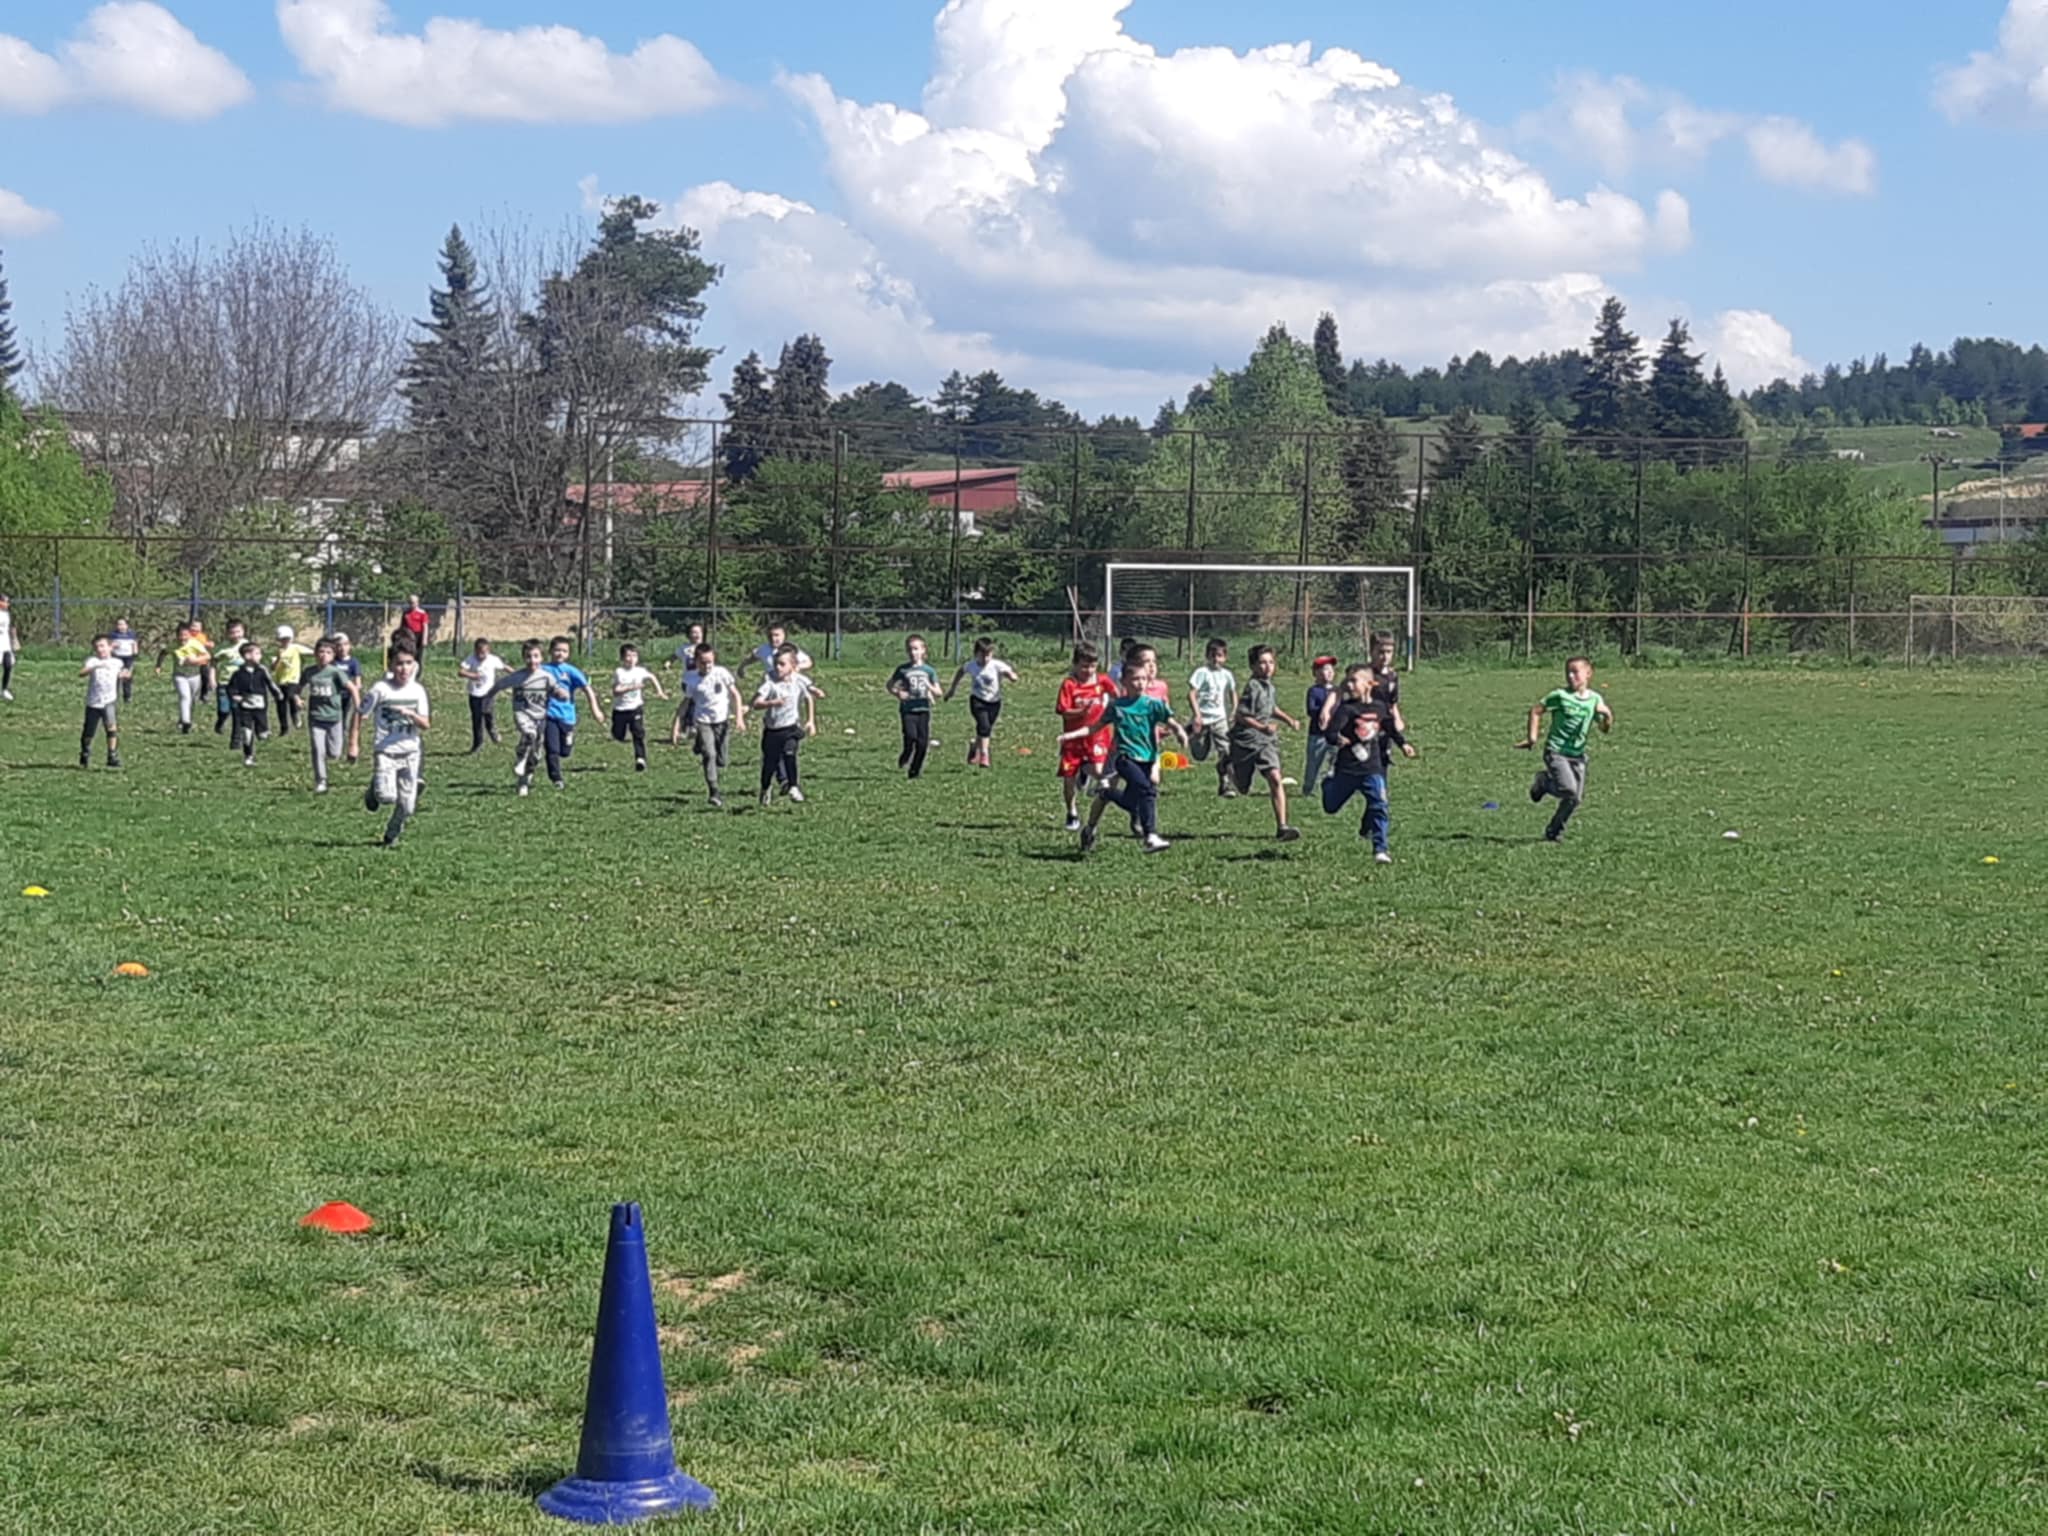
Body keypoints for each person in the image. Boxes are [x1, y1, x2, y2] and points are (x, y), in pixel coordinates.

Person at [1081, 644, 1186, 855]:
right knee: (1124, 789)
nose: (1152, 666)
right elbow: (1119, 710)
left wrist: (1171, 730)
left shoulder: (1160, 687)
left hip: (1147, 749)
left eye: (1154, 662)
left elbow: (1161, 715)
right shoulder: (1130, 685)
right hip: (1122, 749)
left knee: (1145, 788)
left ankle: (1140, 822)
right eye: (1147, 662)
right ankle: (1092, 826)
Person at [1517, 656, 1613, 842]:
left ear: (1588, 673)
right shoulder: (1560, 696)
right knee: (1568, 790)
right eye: (1568, 672)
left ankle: (1553, 832)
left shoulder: (1594, 699)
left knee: (1574, 799)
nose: (1570, 676)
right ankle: (1543, 782)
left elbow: (1604, 729)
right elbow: (1536, 711)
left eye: (1575, 672)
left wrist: (1608, 717)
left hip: (1577, 755)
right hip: (1556, 752)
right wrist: (1532, 738)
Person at [1322, 664, 1406, 863]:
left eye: (1354, 681)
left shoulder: (1379, 707)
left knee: (1379, 805)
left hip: (1372, 768)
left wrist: (1403, 744)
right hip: (1347, 770)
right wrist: (1337, 739)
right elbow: (1330, 732)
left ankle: (1380, 849)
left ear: (1370, 684)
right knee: (1331, 806)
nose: (1349, 685)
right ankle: (1327, 783)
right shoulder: (1347, 709)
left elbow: (1390, 728)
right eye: (1347, 681)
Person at [1228, 644, 1302, 841]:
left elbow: (1272, 708)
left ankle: (1282, 827)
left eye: (1271, 662)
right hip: (1246, 741)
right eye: (1262, 663)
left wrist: (1289, 719)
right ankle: (1227, 767)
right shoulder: (1252, 687)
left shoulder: (1270, 686)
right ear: (1253, 666)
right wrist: (1261, 727)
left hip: (1266, 741)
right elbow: (1241, 715)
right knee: (1243, 788)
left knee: (1275, 778)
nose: (1268, 667)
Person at [361, 649, 430, 846]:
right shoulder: (381, 689)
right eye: (399, 664)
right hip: (386, 751)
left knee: (408, 807)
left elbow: (425, 724)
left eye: (409, 663)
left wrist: (411, 714)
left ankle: (392, 834)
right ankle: (374, 790)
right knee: (387, 796)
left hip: (411, 752)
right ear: (390, 665)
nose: (404, 668)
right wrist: (353, 743)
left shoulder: (418, 690)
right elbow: (361, 712)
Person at [1054, 643, 1117, 832]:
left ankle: (1087, 771)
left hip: (1097, 735)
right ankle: (1071, 812)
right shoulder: (1069, 684)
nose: (1088, 671)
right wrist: (1081, 711)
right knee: (1068, 779)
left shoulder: (1102, 681)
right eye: (1084, 666)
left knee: (1100, 770)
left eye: (1092, 666)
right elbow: (1063, 711)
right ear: (1075, 664)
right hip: (1073, 739)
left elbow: (1118, 696)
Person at [752, 644, 824, 807]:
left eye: (782, 664)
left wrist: (811, 719)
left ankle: (793, 786)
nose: (778, 667)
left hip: (790, 727)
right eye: (776, 664)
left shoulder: (799, 680)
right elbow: (756, 703)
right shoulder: (770, 682)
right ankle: (765, 788)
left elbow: (809, 692)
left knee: (790, 753)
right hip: (772, 730)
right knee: (769, 765)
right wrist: (772, 703)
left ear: (793, 666)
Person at [485, 640, 559, 797]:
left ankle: (524, 779)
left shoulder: (546, 677)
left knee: (536, 753)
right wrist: (487, 699)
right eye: (528, 656)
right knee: (529, 734)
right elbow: (498, 685)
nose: (532, 660)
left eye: (535, 656)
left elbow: (555, 690)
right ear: (523, 658)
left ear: (542, 658)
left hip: (540, 717)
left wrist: (561, 694)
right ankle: (520, 759)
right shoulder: (517, 677)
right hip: (522, 713)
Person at [683, 641, 745, 807]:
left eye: (710, 661)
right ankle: (714, 790)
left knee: (722, 760)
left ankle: (699, 743)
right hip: (703, 721)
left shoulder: (721, 673)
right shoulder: (692, 679)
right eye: (703, 662)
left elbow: (735, 695)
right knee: (709, 754)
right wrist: (677, 724)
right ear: (696, 662)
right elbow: (686, 702)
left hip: (722, 721)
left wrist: (739, 717)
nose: (707, 666)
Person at [539, 635, 605, 790]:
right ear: (550, 651)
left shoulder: (571, 671)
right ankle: (556, 778)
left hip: (567, 717)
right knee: (552, 749)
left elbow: (587, 689)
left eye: (564, 651)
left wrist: (595, 710)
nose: (560, 653)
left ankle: (568, 738)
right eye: (557, 650)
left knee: (565, 752)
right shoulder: (543, 669)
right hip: (549, 715)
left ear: (568, 654)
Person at [945, 636, 1017, 768]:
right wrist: (952, 689)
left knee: (985, 728)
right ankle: (984, 755)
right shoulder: (972, 665)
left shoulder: (996, 665)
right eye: (982, 655)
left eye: (988, 655)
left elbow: (1007, 671)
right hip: (977, 700)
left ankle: (974, 746)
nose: (985, 658)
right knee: (984, 726)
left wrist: (1011, 676)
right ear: (975, 654)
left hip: (994, 702)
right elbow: (961, 671)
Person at [302, 637, 360, 794]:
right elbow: (298, 687)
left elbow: (353, 688)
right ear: (315, 654)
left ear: (333, 655)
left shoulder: (335, 672)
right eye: (321, 652)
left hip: (334, 718)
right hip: (316, 718)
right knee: (317, 750)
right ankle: (321, 780)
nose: (324, 655)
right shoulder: (309, 672)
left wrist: (358, 706)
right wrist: (297, 698)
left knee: (334, 753)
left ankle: (330, 754)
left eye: (328, 652)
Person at [1186, 637, 1237, 798]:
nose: (1216, 659)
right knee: (1199, 755)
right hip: (1203, 719)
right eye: (1213, 655)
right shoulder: (1202, 673)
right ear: (1207, 656)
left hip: (1219, 719)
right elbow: (1192, 694)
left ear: (1225, 657)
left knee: (1226, 751)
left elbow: (1233, 693)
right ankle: (1192, 735)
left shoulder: (1227, 675)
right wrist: (1197, 715)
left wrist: (1234, 710)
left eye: (1220, 656)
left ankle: (1226, 783)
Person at [888, 634, 941, 779]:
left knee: (922, 743)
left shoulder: (929, 671)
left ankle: (915, 770)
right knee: (911, 737)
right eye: (910, 649)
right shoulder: (903, 670)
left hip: (923, 710)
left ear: (923, 650)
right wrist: (898, 693)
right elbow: (890, 685)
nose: (913, 652)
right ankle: (906, 754)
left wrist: (929, 686)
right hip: (908, 710)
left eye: (916, 649)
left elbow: (939, 692)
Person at [225, 641, 285, 767]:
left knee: (262, 734)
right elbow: (230, 688)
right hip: (245, 707)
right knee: (246, 733)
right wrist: (234, 695)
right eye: (257, 653)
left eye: (260, 654)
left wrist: (277, 694)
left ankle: (263, 731)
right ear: (247, 656)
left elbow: (270, 683)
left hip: (260, 706)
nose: (260, 656)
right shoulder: (238, 674)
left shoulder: (262, 671)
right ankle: (248, 756)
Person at [609, 643, 666, 772]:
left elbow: (652, 677)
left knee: (638, 732)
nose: (631, 659)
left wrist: (659, 691)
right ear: (622, 658)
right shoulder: (619, 672)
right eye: (628, 656)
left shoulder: (640, 671)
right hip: (620, 709)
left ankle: (640, 759)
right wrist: (631, 687)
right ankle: (617, 733)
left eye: (634, 655)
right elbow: (616, 691)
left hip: (635, 707)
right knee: (618, 734)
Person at [78, 635, 130, 770]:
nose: (100, 649)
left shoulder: (117, 662)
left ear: (110, 647)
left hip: (109, 701)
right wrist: (95, 667)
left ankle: (112, 755)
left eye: (102, 646)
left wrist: (125, 675)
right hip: (93, 702)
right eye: (97, 647)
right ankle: (85, 751)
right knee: (89, 731)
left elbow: (124, 673)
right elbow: (81, 673)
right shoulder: (92, 661)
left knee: (111, 728)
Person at [155, 622, 211, 733]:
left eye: (185, 635)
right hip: (179, 676)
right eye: (180, 635)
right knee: (185, 696)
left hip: (195, 676)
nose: (183, 638)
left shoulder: (195, 644)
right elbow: (163, 652)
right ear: (177, 635)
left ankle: (184, 719)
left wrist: (195, 660)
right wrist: (158, 666)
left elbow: (207, 656)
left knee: (192, 699)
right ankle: (186, 722)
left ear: (190, 635)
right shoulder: (173, 645)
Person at [457, 638, 510, 753]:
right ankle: (478, 744)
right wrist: (471, 675)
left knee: (488, 713)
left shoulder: (492, 660)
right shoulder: (471, 659)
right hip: (474, 694)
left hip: (488, 693)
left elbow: (504, 667)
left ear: (488, 651)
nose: (481, 656)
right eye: (478, 653)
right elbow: (460, 672)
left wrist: (517, 675)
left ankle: (492, 730)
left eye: (483, 653)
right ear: (475, 651)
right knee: (477, 719)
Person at [668, 622, 708, 746]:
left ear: (702, 634)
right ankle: (690, 727)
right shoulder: (685, 649)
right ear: (689, 635)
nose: (696, 635)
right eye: (693, 632)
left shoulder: (705, 648)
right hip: (688, 681)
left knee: (697, 703)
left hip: (702, 681)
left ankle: (691, 726)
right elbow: (674, 656)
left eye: (698, 632)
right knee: (691, 702)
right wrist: (669, 662)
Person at [1302, 655, 1338, 795]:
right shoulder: (1314, 691)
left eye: (1331, 669)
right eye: (1324, 669)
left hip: (1334, 733)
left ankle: (1332, 785)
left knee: (1336, 760)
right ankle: (1309, 788)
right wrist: (1325, 711)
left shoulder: (1337, 691)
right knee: (1314, 762)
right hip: (1318, 734)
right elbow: (1311, 710)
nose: (1328, 672)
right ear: (1316, 673)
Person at [272, 625, 314, 735]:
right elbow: (273, 667)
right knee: (281, 704)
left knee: (292, 696)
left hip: (293, 679)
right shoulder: (278, 651)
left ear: (291, 638)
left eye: (287, 638)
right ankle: (284, 728)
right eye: (282, 639)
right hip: (281, 681)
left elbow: (311, 652)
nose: (285, 641)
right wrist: (278, 658)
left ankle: (296, 715)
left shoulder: (295, 648)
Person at [209, 620, 248, 736]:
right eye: (232, 632)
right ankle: (220, 722)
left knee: (237, 709)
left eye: (238, 632)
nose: (236, 635)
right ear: (227, 633)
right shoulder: (222, 648)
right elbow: (213, 664)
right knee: (224, 709)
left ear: (243, 631)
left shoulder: (247, 645)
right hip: (224, 682)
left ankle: (237, 735)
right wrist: (212, 678)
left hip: (240, 684)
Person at [739, 622, 812, 680]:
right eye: (770, 635)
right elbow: (752, 658)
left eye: (777, 635)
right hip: (772, 681)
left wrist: (797, 667)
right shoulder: (764, 649)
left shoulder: (790, 649)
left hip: (789, 681)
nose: (773, 638)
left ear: (784, 635)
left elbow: (808, 662)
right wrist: (742, 667)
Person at [333, 631, 364, 763]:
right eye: (339, 645)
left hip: (348, 697)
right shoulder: (332, 662)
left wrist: (356, 690)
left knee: (345, 722)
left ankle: (346, 746)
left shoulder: (353, 662)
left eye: (345, 644)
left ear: (349, 646)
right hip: (334, 697)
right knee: (335, 722)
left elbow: (357, 680)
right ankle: (334, 747)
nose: (342, 648)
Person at [108, 618, 141, 702]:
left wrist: (135, 653)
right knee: (116, 677)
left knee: (127, 677)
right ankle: (114, 696)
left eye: (122, 624)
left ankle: (127, 696)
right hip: (116, 657)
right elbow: (109, 647)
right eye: (118, 624)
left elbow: (134, 644)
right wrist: (112, 646)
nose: (120, 626)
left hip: (128, 658)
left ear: (127, 625)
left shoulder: (131, 634)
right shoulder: (113, 634)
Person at [399, 594, 430, 659]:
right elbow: (402, 626)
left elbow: (425, 626)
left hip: (418, 635)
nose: (411, 604)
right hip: (408, 635)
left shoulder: (422, 613)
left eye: (413, 602)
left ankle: (418, 665)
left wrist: (424, 639)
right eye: (410, 602)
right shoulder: (406, 613)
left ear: (417, 603)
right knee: (409, 654)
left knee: (418, 655)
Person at [0, 594, 14, 700]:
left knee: (8, 665)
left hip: (5, 644)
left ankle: (4, 690)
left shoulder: (6, 614)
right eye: (5, 601)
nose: (7, 604)